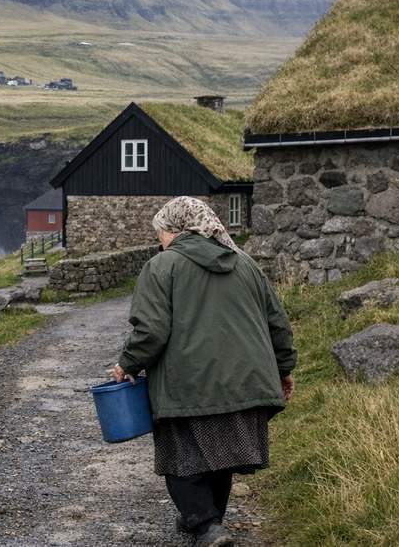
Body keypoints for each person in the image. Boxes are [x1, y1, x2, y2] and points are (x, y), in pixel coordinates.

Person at [113, 197, 296, 547]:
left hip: (189, 384)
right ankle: (208, 521)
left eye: (161, 233)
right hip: (246, 382)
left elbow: (150, 330)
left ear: (178, 230)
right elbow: (278, 324)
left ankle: (206, 526)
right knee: (221, 455)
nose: (159, 241)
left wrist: (128, 363)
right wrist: (284, 368)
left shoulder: (162, 266)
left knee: (181, 458)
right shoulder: (246, 263)